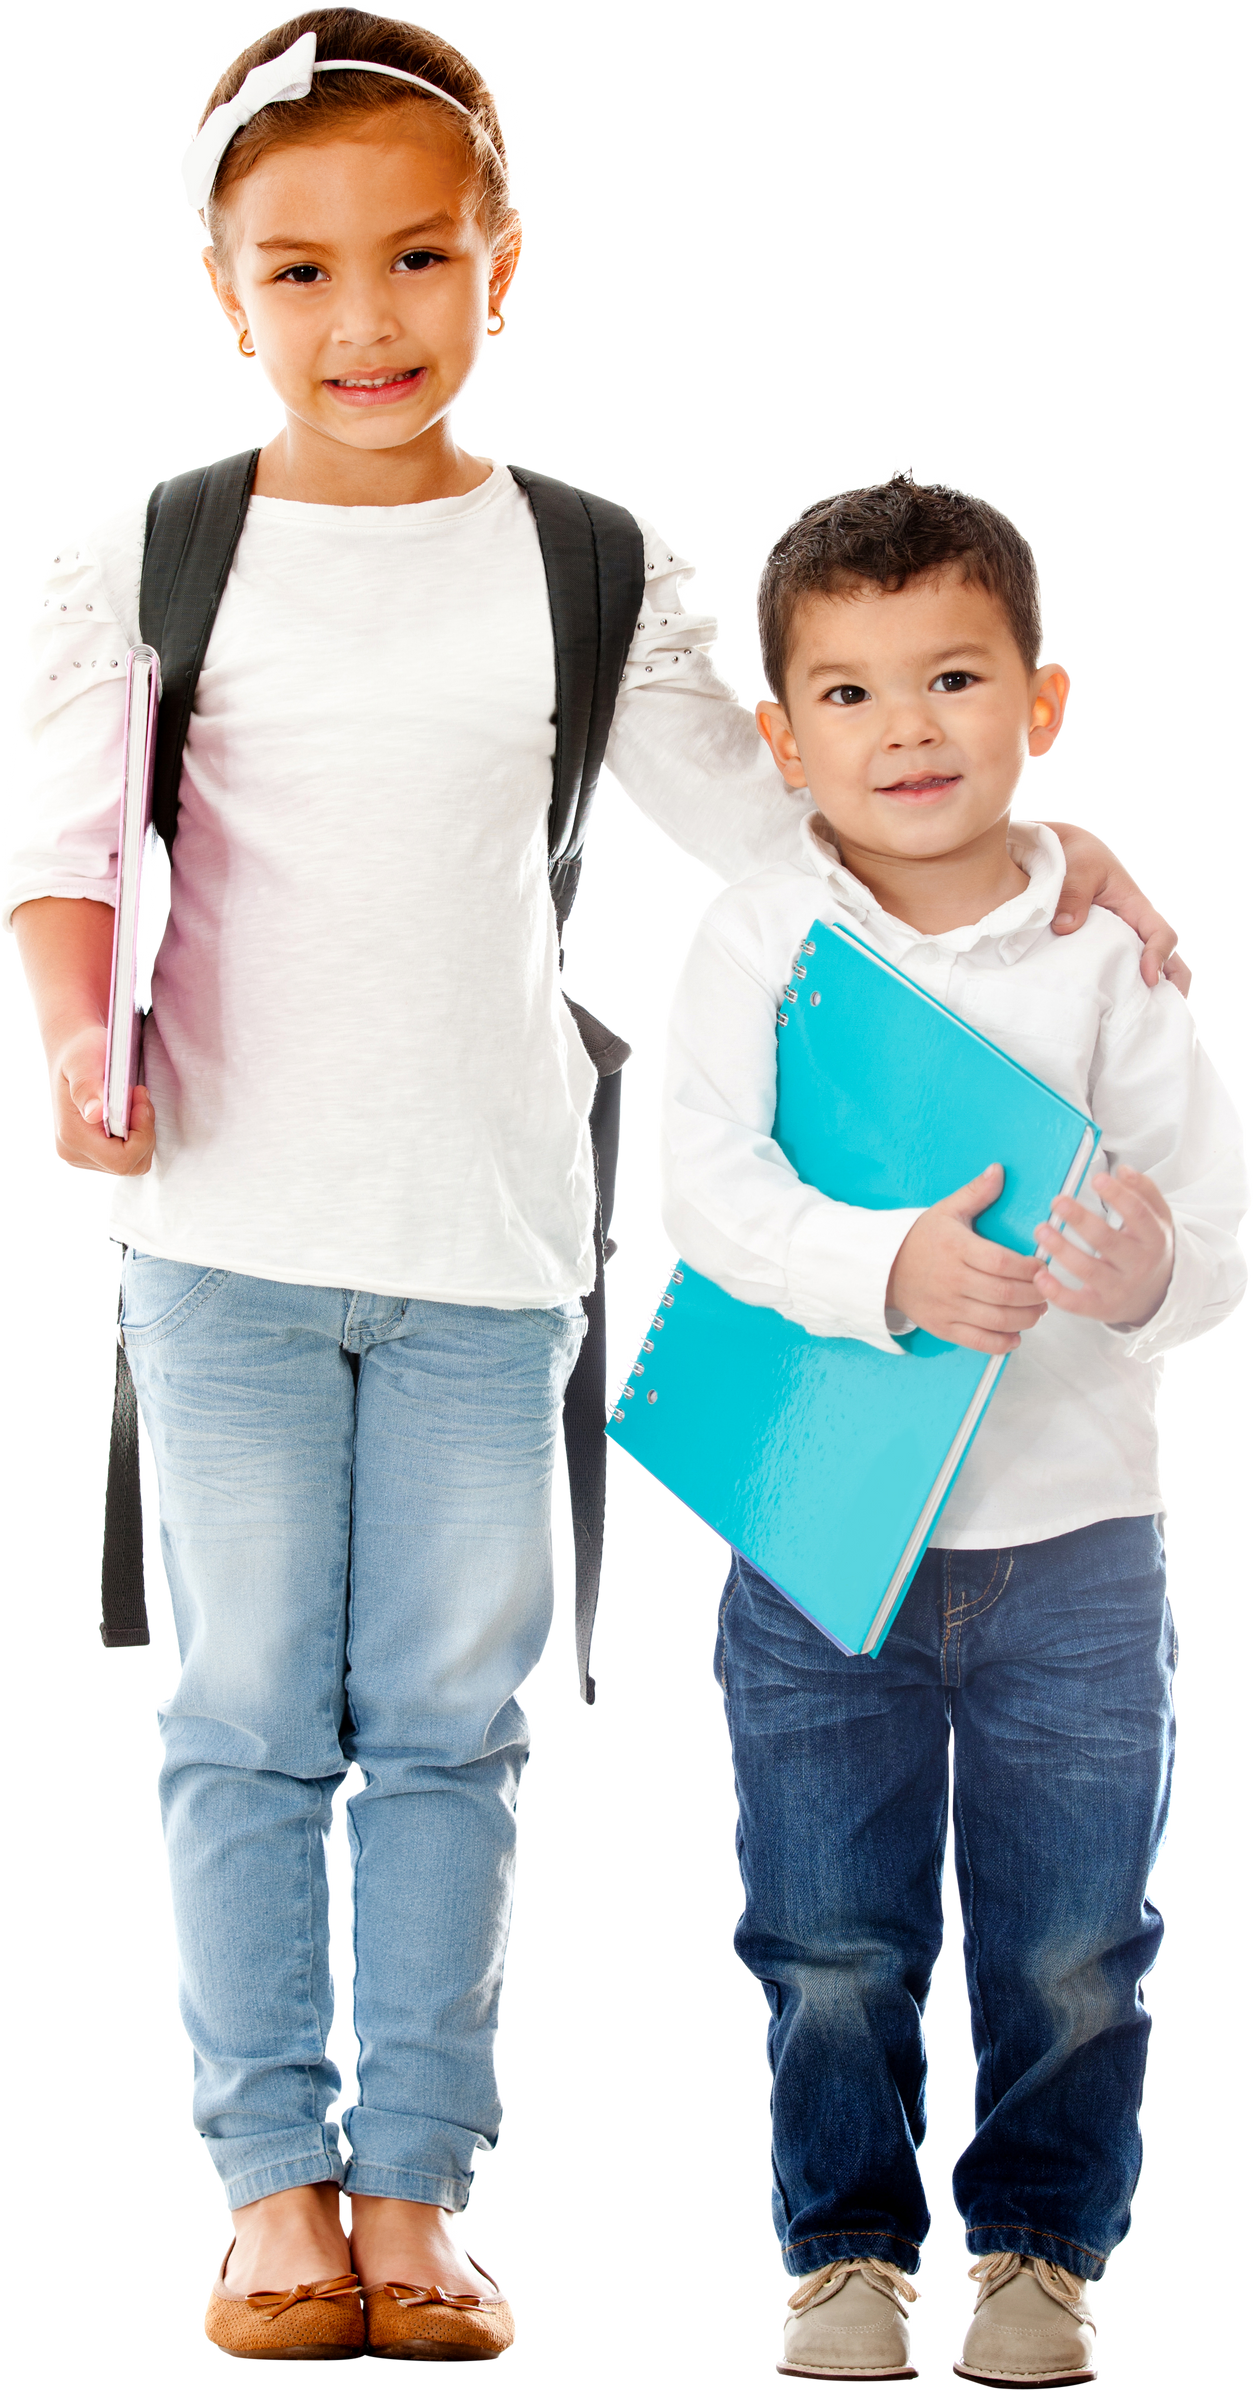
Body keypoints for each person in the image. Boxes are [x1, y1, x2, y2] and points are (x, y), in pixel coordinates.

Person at [2, 0, 1187, 2357]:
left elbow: (797, 841)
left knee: (450, 1718)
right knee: (244, 1710)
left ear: (501, 264)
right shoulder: (151, 560)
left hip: (498, 1244)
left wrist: (1063, 872)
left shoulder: (583, 566)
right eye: (306, 272)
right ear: (231, 291)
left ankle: (415, 2197)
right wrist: (68, 1046)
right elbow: (62, 851)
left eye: (420, 258)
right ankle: (268, 2192)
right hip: (227, 1233)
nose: (368, 319)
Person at [656, 470, 1246, 2385]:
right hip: (818, 1521)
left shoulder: (1107, 959)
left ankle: (1042, 2253)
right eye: (846, 692)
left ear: (1045, 706)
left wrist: (1151, 1261)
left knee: (1073, 1936)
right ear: (779, 732)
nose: (905, 728)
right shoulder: (762, 929)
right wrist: (883, 1271)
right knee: (829, 1927)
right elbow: (711, 1188)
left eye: (954, 678)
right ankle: (844, 2253)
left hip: (1072, 1532)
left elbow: (1211, 1231)